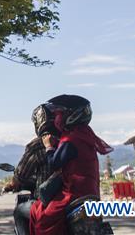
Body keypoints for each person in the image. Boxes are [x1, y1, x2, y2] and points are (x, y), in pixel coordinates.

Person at [30, 95, 113, 235]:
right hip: (92, 192)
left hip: (73, 193)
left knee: (40, 216)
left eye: (60, 114)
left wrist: (48, 146)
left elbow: (54, 164)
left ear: (72, 116)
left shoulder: (71, 139)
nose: (57, 118)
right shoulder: (86, 135)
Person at [6, 104, 60, 235]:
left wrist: (12, 184)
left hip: (46, 202)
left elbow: (20, 175)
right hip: (71, 196)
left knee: (19, 211)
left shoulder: (37, 145)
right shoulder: (67, 140)